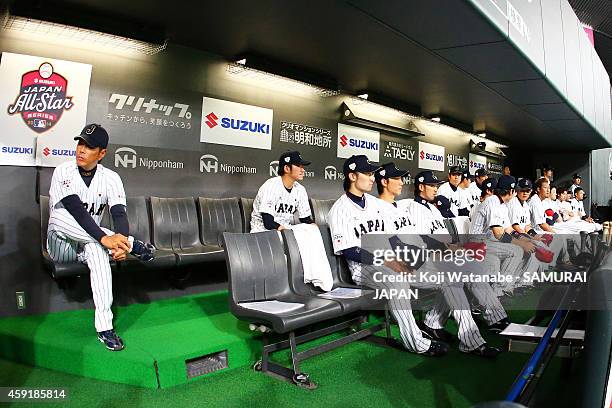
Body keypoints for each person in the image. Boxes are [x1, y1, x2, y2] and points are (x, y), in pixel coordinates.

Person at [377, 165, 507, 357]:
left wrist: (451, 248)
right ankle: (468, 336)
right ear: (421, 187)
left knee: (470, 267)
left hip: (426, 257)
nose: (436, 188)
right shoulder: (409, 208)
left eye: (436, 185)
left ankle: (448, 323)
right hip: (413, 261)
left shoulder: (419, 208)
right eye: (431, 185)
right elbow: (414, 242)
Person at [47, 124, 155, 351]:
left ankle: (104, 328)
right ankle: (135, 245)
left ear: (102, 153)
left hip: (90, 242)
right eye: (80, 143)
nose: (81, 149)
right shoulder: (63, 171)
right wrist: (106, 239)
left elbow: (118, 213)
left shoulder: (111, 178)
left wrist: (120, 242)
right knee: (58, 216)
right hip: (61, 245)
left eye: (89, 146)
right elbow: (74, 209)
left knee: (97, 251)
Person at [327, 155, 448, 357]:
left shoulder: (375, 204)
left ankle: (433, 323)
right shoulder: (339, 210)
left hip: (390, 262)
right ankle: (415, 342)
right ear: (352, 176)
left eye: (372, 173)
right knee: (396, 282)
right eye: (366, 174)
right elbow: (350, 251)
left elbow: (394, 240)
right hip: (363, 269)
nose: (371, 178)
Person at [469, 176, 533, 296]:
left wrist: (525, 240)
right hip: (477, 242)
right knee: (516, 251)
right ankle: (497, 291)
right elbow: (499, 233)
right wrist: (520, 244)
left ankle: (507, 286)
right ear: (511, 191)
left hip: (489, 241)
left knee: (523, 249)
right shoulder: (492, 201)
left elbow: (509, 229)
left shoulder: (502, 204)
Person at [250, 151, 314, 233]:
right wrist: (287, 234)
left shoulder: (300, 189)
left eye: (303, 167)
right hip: (262, 231)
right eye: (298, 166)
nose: (303, 170)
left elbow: (305, 219)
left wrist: (313, 228)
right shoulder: (271, 185)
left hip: (285, 230)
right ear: (287, 168)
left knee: (310, 230)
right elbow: (268, 223)